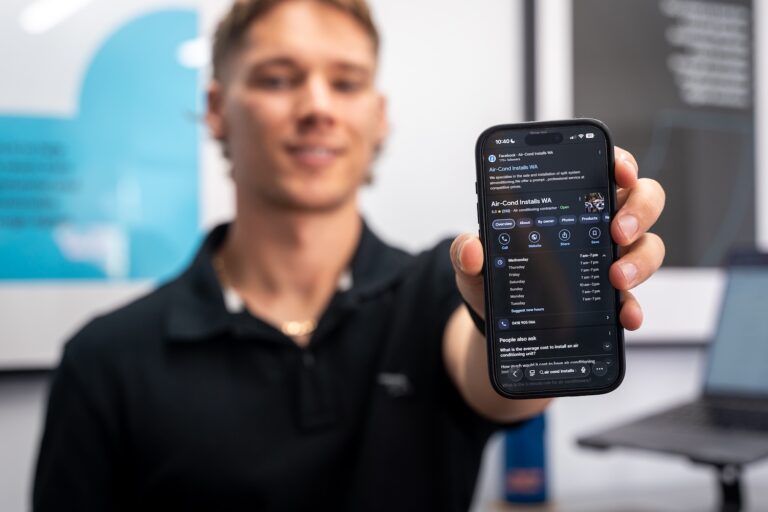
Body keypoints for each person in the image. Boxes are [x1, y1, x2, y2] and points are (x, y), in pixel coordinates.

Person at [32, 0, 666, 510]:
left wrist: (533, 310)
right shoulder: (105, 359)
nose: (317, 107)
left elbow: (496, 385)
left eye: (346, 82)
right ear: (219, 111)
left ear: (378, 117)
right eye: (279, 79)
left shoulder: (433, 290)